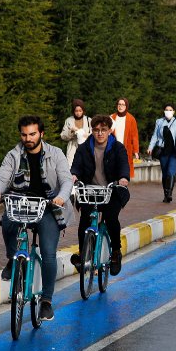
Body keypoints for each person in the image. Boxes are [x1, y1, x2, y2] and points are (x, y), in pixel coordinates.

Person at [0, 115, 73, 321]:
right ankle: (12, 258)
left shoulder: (56, 153)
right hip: (21, 204)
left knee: (48, 252)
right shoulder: (14, 155)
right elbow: (1, 177)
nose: (28, 138)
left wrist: (61, 198)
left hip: (49, 207)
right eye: (24, 134)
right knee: (8, 221)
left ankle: (46, 301)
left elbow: (66, 180)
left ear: (41, 134)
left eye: (33, 134)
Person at [69, 115, 130, 276]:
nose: (100, 133)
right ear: (92, 131)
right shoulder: (84, 148)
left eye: (103, 130)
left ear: (110, 131)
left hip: (112, 191)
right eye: (96, 130)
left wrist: (123, 178)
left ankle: (116, 252)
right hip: (90, 191)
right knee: (85, 219)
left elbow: (124, 164)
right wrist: (74, 175)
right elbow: (76, 166)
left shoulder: (117, 147)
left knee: (111, 218)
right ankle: (83, 255)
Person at [147, 104, 176, 203]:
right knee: (165, 174)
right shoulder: (159, 122)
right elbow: (155, 136)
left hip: (175, 152)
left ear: (174, 111)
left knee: (171, 172)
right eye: (166, 109)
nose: (168, 111)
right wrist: (150, 147)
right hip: (163, 151)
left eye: (170, 110)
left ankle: (169, 193)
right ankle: (166, 194)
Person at [110, 97, 140, 178]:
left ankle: (122, 187)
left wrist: (136, 151)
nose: (120, 106)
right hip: (113, 148)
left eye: (123, 105)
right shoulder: (111, 117)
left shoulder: (131, 119)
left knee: (124, 171)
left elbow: (135, 135)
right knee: (113, 170)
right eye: (119, 104)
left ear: (126, 106)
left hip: (126, 149)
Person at [60, 99, 92, 168]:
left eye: (80, 111)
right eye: (76, 111)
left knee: (86, 166)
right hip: (73, 147)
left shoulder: (89, 120)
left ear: (83, 110)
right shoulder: (69, 120)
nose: (78, 113)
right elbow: (63, 136)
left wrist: (87, 136)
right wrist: (71, 131)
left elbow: (94, 134)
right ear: (73, 111)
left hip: (86, 147)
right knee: (71, 168)